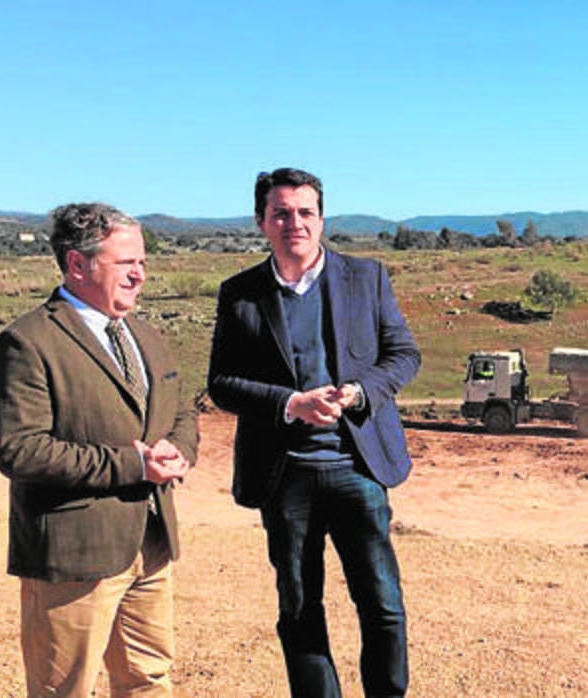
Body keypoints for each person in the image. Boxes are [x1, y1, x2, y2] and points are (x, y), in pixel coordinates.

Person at [207, 168, 420, 697]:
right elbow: (221, 383)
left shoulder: (366, 278)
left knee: (383, 605)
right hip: (284, 477)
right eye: (281, 213)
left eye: (305, 212)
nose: (293, 223)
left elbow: (404, 356)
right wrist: (289, 404)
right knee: (299, 607)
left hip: (358, 469)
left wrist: (359, 392)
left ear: (322, 218)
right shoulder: (240, 294)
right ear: (261, 222)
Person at [0, 202, 198, 697]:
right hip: (73, 553)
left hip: (151, 542)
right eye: (126, 264)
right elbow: (20, 450)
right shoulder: (26, 342)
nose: (140, 276)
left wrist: (179, 449)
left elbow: (180, 408)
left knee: (149, 681)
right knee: (65, 690)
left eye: (142, 262)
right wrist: (133, 463)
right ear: (77, 264)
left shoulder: (145, 334)